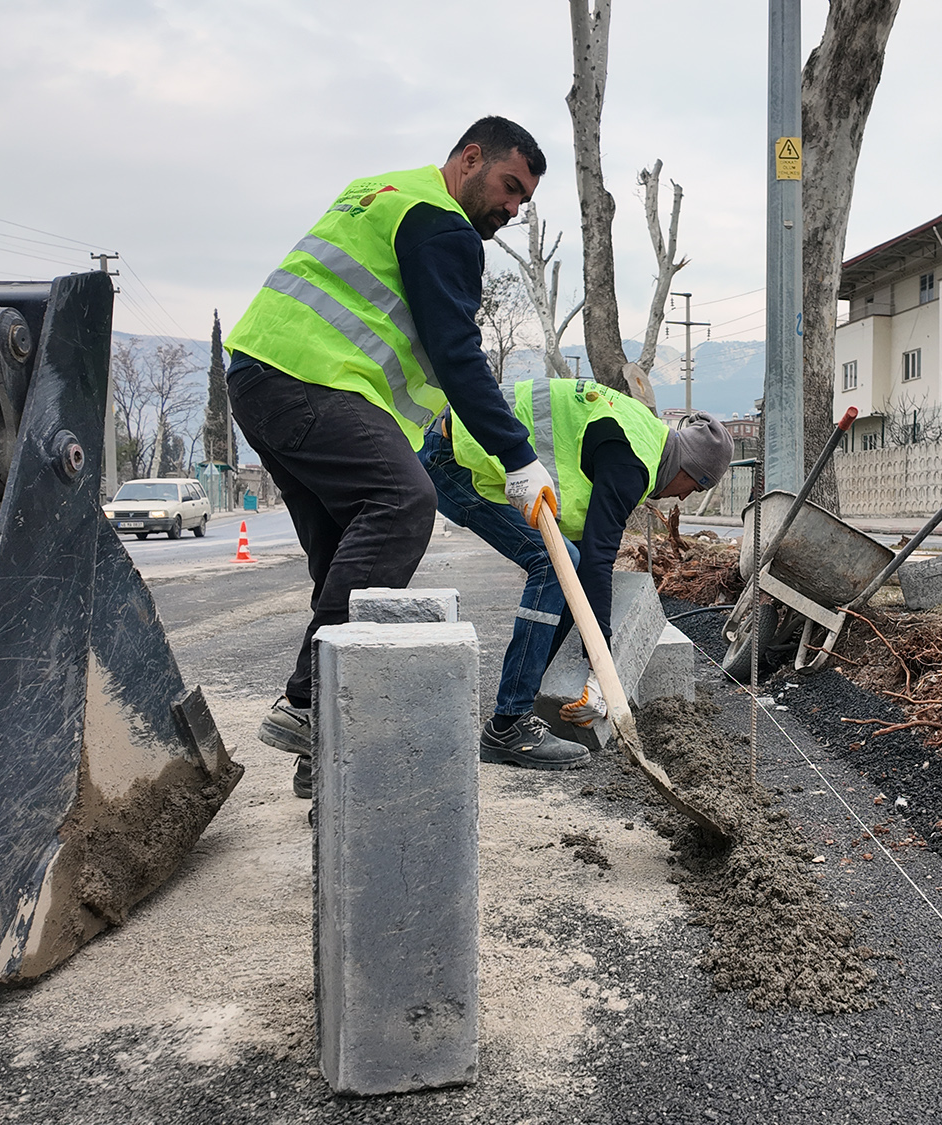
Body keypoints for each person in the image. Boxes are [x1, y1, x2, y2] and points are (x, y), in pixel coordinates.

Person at [224, 116, 558, 797]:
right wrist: (518, 457)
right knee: (404, 503)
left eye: (524, 201)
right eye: (509, 186)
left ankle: (324, 762)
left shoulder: (380, 190)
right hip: (312, 380)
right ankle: (310, 699)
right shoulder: (441, 223)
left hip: (261, 374)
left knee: (348, 565)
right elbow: (457, 355)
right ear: (470, 158)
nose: (513, 208)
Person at [421, 377, 732, 769]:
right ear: (687, 465)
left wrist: (577, 678)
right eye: (696, 484)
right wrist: (600, 671)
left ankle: (536, 702)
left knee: (569, 564)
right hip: (455, 455)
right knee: (553, 563)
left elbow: (588, 560)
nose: (685, 496)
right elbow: (601, 557)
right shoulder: (633, 458)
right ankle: (508, 726)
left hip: (467, 442)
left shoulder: (643, 439)